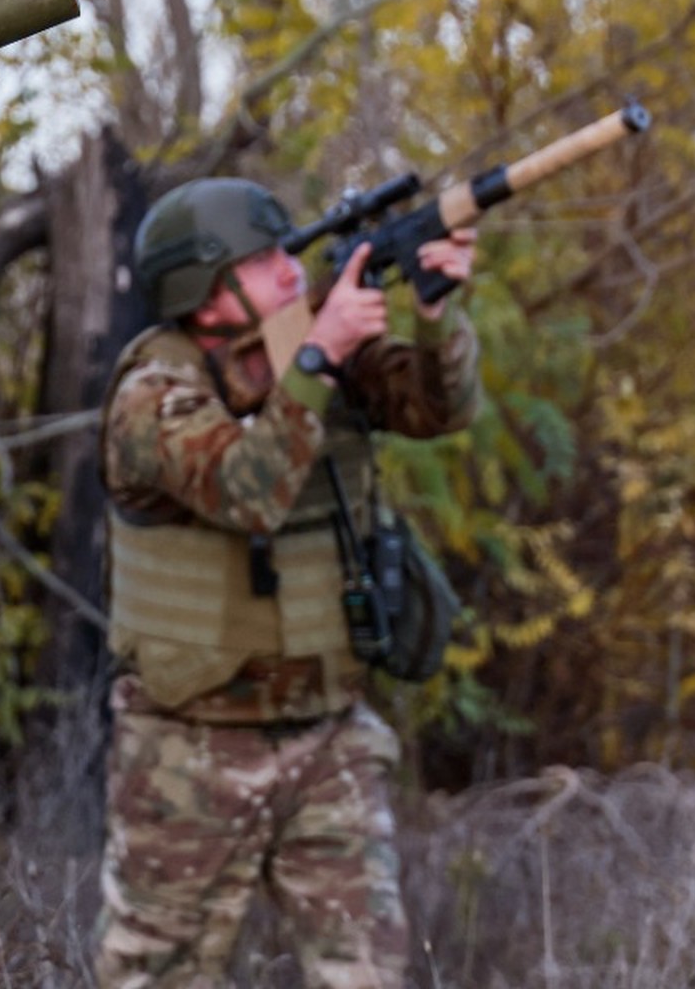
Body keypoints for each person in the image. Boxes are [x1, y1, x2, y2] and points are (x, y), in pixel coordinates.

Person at [93, 176, 480, 989]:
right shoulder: (149, 396)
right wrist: (319, 354)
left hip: (327, 733)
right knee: (155, 976)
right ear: (205, 291)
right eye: (265, 259)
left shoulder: (310, 345)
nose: (291, 270)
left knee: (368, 974)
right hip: (187, 751)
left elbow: (433, 409)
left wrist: (439, 317)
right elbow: (245, 489)